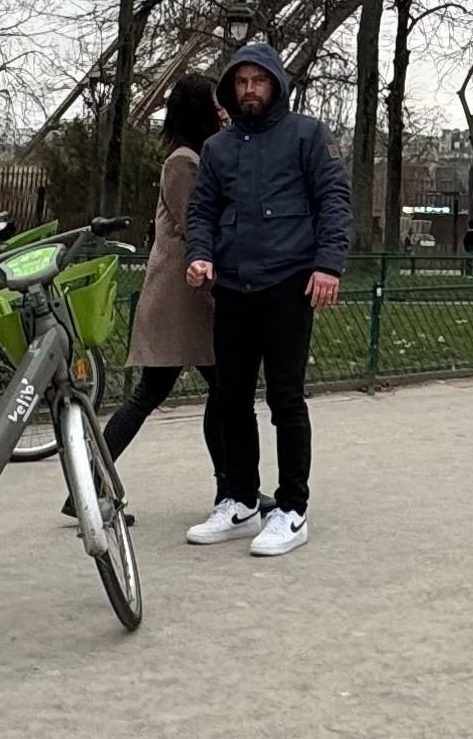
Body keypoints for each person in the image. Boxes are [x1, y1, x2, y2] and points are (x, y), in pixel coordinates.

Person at [182, 42, 352, 559]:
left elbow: (334, 201)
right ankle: (239, 499)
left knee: (285, 399)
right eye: (241, 82)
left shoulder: (307, 136)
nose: (250, 89)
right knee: (231, 399)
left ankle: (292, 508)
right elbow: (202, 212)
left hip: (287, 283)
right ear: (231, 90)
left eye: (258, 80)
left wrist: (328, 264)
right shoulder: (218, 148)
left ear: (276, 84)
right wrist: (200, 254)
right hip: (232, 285)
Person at [104, 72, 229, 477]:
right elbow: (194, 225)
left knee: (160, 392)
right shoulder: (184, 162)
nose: (222, 110)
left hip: (184, 297)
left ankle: (88, 485)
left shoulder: (190, 158)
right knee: (214, 390)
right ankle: (229, 486)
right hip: (183, 297)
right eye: (216, 102)